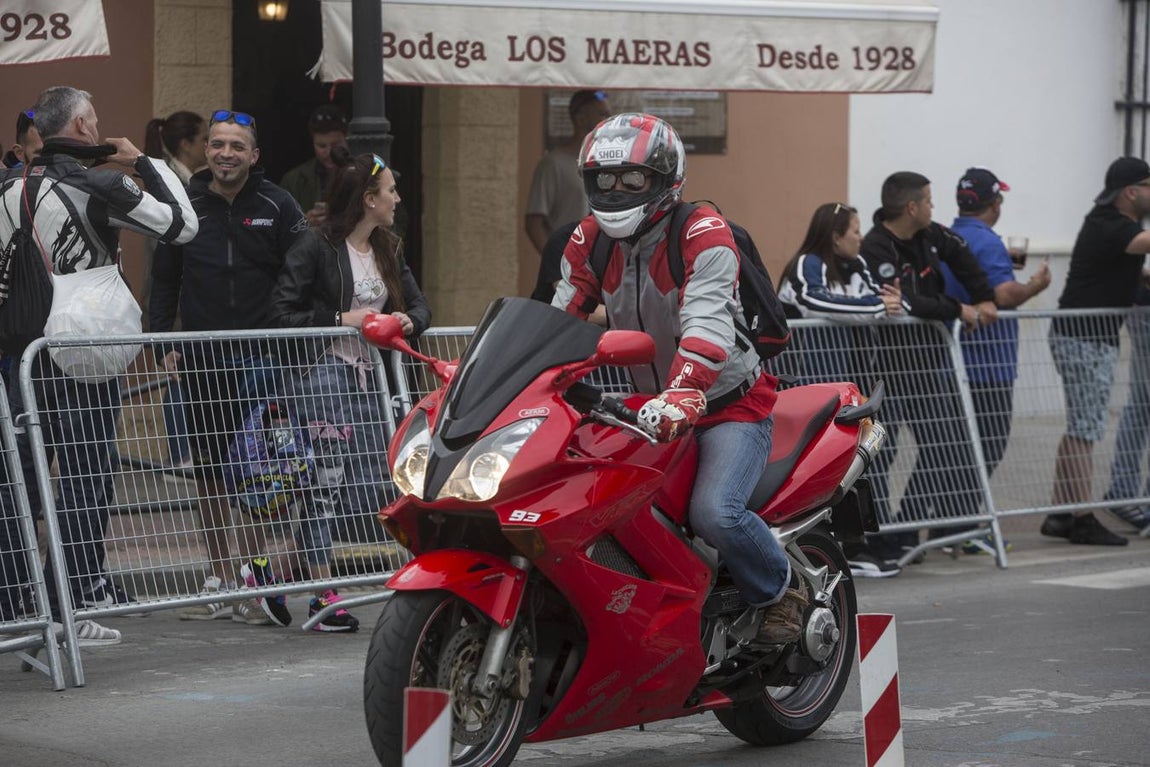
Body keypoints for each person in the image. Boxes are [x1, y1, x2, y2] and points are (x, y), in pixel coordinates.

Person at [552, 113, 807, 644]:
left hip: (726, 406)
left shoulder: (702, 232)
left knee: (715, 512)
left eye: (632, 179)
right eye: (605, 179)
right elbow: (558, 322)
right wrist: (511, 378)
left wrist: (686, 390)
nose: (616, 190)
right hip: (641, 404)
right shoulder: (590, 239)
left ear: (666, 178)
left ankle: (783, 591)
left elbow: (708, 323)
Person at [0, 86, 198, 645]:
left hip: (22, 354)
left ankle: (17, 607)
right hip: (83, 350)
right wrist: (147, 162)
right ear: (86, 127)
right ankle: (66, 605)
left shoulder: (9, 187)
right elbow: (183, 226)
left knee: (18, 481)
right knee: (87, 476)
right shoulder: (102, 184)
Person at [150, 109, 309, 626]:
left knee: (262, 473)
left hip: (264, 360)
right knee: (212, 472)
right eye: (217, 144)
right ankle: (221, 577)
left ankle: (253, 577)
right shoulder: (186, 203)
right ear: (207, 150)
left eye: (236, 146)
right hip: (201, 358)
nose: (224, 153)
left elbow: (301, 271)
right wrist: (162, 344)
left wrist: (290, 337)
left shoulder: (278, 204)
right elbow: (164, 277)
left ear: (254, 155)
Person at [272, 147, 430, 632]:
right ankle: (323, 597)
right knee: (325, 486)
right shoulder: (315, 245)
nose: (398, 199)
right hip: (323, 376)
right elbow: (281, 314)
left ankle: (265, 573)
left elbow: (422, 308)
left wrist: (407, 318)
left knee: (346, 486)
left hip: (369, 380)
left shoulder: (388, 246)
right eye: (390, 192)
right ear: (368, 199)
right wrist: (340, 320)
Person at [858, 171, 999, 568]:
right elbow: (903, 303)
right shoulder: (877, 248)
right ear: (912, 207)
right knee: (879, 456)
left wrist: (984, 298)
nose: (935, 208)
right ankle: (878, 539)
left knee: (947, 448)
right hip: (885, 370)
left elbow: (960, 256)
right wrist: (957, 309)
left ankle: (904, 530)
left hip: (929, 366)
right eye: (930, 201)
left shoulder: (930, 235)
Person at [936, 168, 1052, 551]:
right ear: (994, 204)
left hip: (954, 360)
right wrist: (1035, 285)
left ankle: (953, 526)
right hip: (988, 363)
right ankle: (958, 527)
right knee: (988, 444)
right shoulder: (987, 242)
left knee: (959, 449)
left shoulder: (948, 236)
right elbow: (1003, 295)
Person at [1041, 157, 1150, 545]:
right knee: (1085, 431)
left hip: (1089, 337)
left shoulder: (1115, 225)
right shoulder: (1110, 224)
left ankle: (1059, 513)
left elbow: (1125, 272)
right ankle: (1082, 518)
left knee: (1079, 428)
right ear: (1130, 191)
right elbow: (1139, 245)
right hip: (1084, 338)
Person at [142, 110, 207, 471]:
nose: (208, 146)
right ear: (186, 144)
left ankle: (185, 454)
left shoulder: (180, 181)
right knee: (181, 376)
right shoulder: (176, 188)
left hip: (178, 294)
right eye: (204, 140)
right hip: (177, 297)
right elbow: (161, 267)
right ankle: (181, 455)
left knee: (186, 377)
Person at [777, 202, 905, 384]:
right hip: (803, 376)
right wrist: (877, 305)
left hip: (854, 375)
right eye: (856, 232)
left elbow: (891, 300)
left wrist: (895, 303)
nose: (862, 238)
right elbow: (814, 302)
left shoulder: (857, 263)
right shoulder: (808, 262)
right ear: (837, 237)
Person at [524, 90, 611, 259]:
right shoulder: (553, 164)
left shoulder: (607, 165)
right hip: (569, 269)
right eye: (603, 114)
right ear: (581, 119)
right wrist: (556, 264)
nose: (608, 122)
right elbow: (534, 224)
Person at [1102, 284, 1150, 533]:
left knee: (1139, 404)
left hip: (1142, 305)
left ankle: (1123, 492)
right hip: (1144, 307)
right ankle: (1125, 493)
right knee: (1139, 404)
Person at [280, 104, 349, 228]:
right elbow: (280, 229)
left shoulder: (363, 173)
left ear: (347, 139)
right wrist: (305, 222)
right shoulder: (293, 180)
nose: (329, 152)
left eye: (335, 144)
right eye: (321, 146)